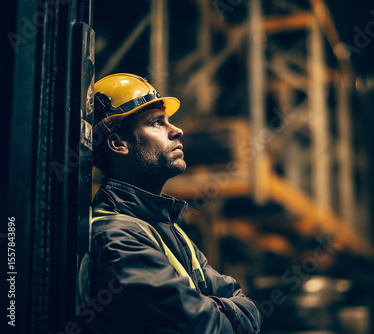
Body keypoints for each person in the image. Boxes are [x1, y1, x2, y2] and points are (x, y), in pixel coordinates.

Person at [79, 73, 262, 333]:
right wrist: (221, 309)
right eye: (156, 123)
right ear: (118, 144)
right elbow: (203, 326)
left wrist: (213, 306)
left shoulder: (170, 232)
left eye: (169, 121)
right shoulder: (116, 238)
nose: (177, 130)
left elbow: (250, 309)